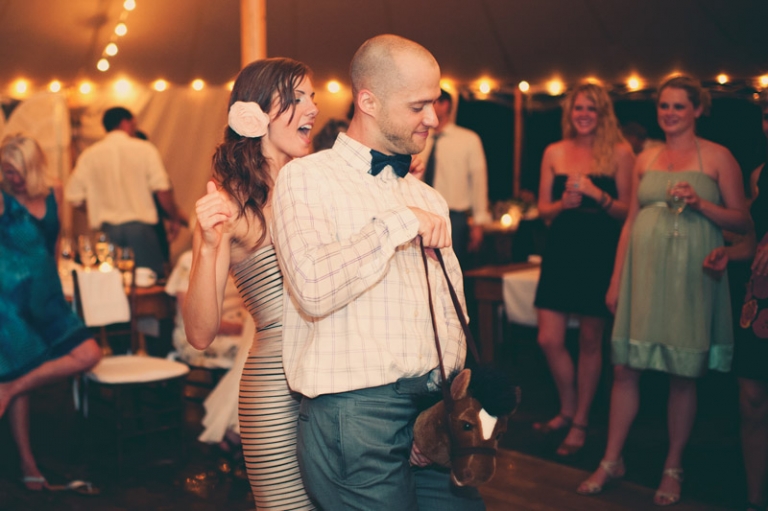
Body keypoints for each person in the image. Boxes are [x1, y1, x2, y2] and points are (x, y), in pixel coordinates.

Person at [272, 34, 484, 510]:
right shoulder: (306, 178)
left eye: (434, 103)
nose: (433, 118)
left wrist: (441, 410)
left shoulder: (428, 197)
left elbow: (452, 314)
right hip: (354, 414)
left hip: (431, 409)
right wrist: (396, 224)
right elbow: (312, 288)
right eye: (418, 106)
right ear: (368, 101)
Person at [577, 75, 751, 506]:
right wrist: (616, 279)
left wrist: (701, 203)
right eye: (664, 106)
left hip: (693, 276)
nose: (670, 113)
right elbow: (631, 222)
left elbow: (743, 222)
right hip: (644, 274)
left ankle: (673, 466)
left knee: (682, 374)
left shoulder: (718, 156)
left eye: (679, 106)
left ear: (697, 109)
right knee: (624, 368)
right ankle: (611, 459)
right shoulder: (645, 157)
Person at [183, 58, 318, 510]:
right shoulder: (229, 208)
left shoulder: (320, 188)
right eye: (297, 97)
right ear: (255, 114)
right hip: (276, 387)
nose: (313, 108)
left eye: (312, 97)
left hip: (335, 382)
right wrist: (207, 245)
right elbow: (199, 334)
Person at [532, 82, 634, 457]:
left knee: (591, 340)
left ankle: (580, 420)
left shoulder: (621, 152)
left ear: (602, 113)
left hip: (600, 251)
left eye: (591, 108)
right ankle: (568, 406)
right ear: (569, 113)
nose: (584, 114)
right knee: (548, 338)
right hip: (561, 249)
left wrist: (598, 195)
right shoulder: (553, 151)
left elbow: (629, 212)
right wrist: (562, 203)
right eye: (578, 108)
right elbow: (542, 212)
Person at [0, 134, 102, 490]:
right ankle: (28, 465)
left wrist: (52, 283)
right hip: (10, 303)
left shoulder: (54, 190)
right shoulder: (2, 196)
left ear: (34, 166)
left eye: (17, 170)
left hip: (47, 297)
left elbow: (54, 242)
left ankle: (8, 387)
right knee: (23, 364)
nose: (12, 178)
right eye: (6, 170)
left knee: (88, 353)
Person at [703, 90, 768, 511]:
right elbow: (755, 241)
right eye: (767, 116)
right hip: (759, 298)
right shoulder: (761, 173)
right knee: (752, 398)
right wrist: (728, 253)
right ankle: (755, 499)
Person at [64, 107, 187, 277]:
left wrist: (98, 207)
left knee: (113, 284)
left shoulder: (90, 155)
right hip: (141, 232)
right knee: (150, 283)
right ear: (125, 123)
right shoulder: (145, 149)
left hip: (106, 233)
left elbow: (73, 196)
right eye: (134, 124)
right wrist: (174, 218)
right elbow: (162, 190)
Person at [418, 88, 490, 268]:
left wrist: (478, 223)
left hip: (454, 217)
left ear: (445, 105)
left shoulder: (468, 139)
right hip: (421, 212)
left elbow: (479, 182)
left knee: (451, 268)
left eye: (432, 103)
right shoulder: (420, 138)